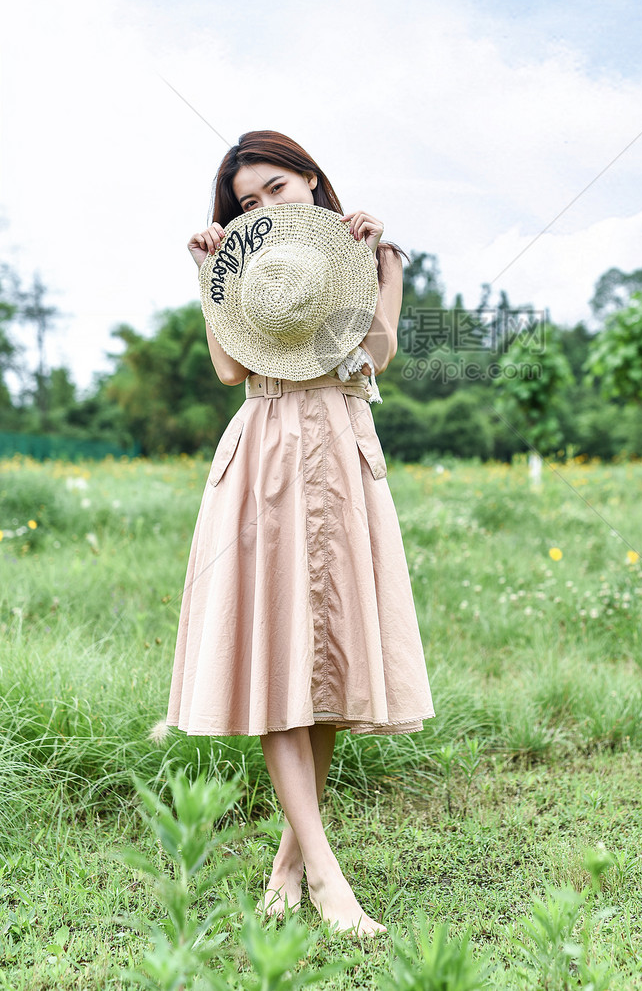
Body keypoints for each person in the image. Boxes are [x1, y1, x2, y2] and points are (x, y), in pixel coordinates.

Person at [166, 130, 434, 937]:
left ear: (311, 181)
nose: (262, 207)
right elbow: (229, 371)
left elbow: (376, 353)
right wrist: (208, 276)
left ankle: (290, 862)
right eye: (247, 201)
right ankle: (326, 877)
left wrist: (378, 267)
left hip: (344, 454)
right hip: (267, 453)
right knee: (281, 653)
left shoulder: (368, 255)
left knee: (328, 663)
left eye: (275, 189)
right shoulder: (242, 268)